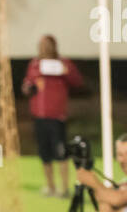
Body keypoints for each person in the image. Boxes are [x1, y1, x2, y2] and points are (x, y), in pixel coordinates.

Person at [20, 34, 84, 197]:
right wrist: (28, 88)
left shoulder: (64, 63)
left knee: (61, 152)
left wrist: (66, 72)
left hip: (57, 116)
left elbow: (77, 82)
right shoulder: (35, 65)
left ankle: (64, 188)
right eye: (41, 45)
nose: (44, 48)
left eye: (47, 45)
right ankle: (50, 186)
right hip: (39, 116)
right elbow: (28, 83)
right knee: (44, 152)